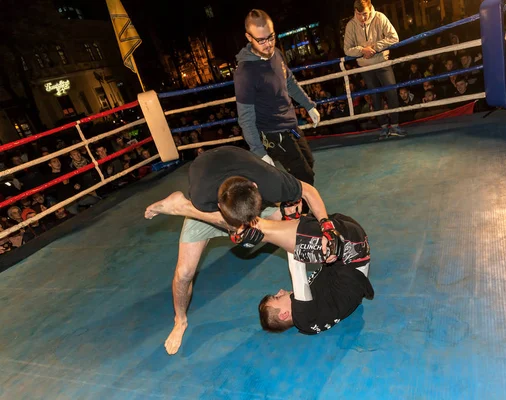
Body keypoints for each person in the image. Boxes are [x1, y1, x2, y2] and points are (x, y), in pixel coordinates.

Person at [144, 146, 341, 354]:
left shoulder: (269, 181)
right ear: (221, 207)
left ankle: (259, 229)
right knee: (183, 273)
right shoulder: (203, 196)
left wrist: (326, 225)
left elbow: (308, 191)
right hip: (206, 208)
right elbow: (218, 216)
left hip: (241, 195)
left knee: (295, 231)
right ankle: (180, 320)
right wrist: (239, 227)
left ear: (255, 188)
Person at [234, 212, 373, 335]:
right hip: (352, 251)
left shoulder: (309, 318)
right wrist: (281, 229)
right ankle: (252, 223)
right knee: (296, 231)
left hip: (349, 247)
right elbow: (297, 266)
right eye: (277, 297)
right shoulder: (303, 316)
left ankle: (264, 219)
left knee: (301, 221)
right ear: (284, 315)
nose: (280, 291)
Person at [234, 9, 320, 185]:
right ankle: (299, 211)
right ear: (249, 37)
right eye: (261, 40)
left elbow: (289, 82)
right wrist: (259, 151)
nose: (268, 44)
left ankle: (294, 206)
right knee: (304, 177)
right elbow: (245, 118)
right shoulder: (245, 73)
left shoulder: (277, 54)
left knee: (308, 164)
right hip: (272, 132)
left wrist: (309, 105)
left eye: (271, 37)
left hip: (291, 124)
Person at [344, 0, 407, 138]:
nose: (363, 18)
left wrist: (374, 47)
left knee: (391, 92)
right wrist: (362, 50)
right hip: (366, 67)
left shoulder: (380, 17)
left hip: (382, 62)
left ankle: (395, 126)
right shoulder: (351, 25)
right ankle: (384, 127)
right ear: (355, 11)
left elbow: (394, 37)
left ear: (370, 8)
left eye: (365, 14)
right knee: (375, 97)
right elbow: (347, 49)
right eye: (359, 14)